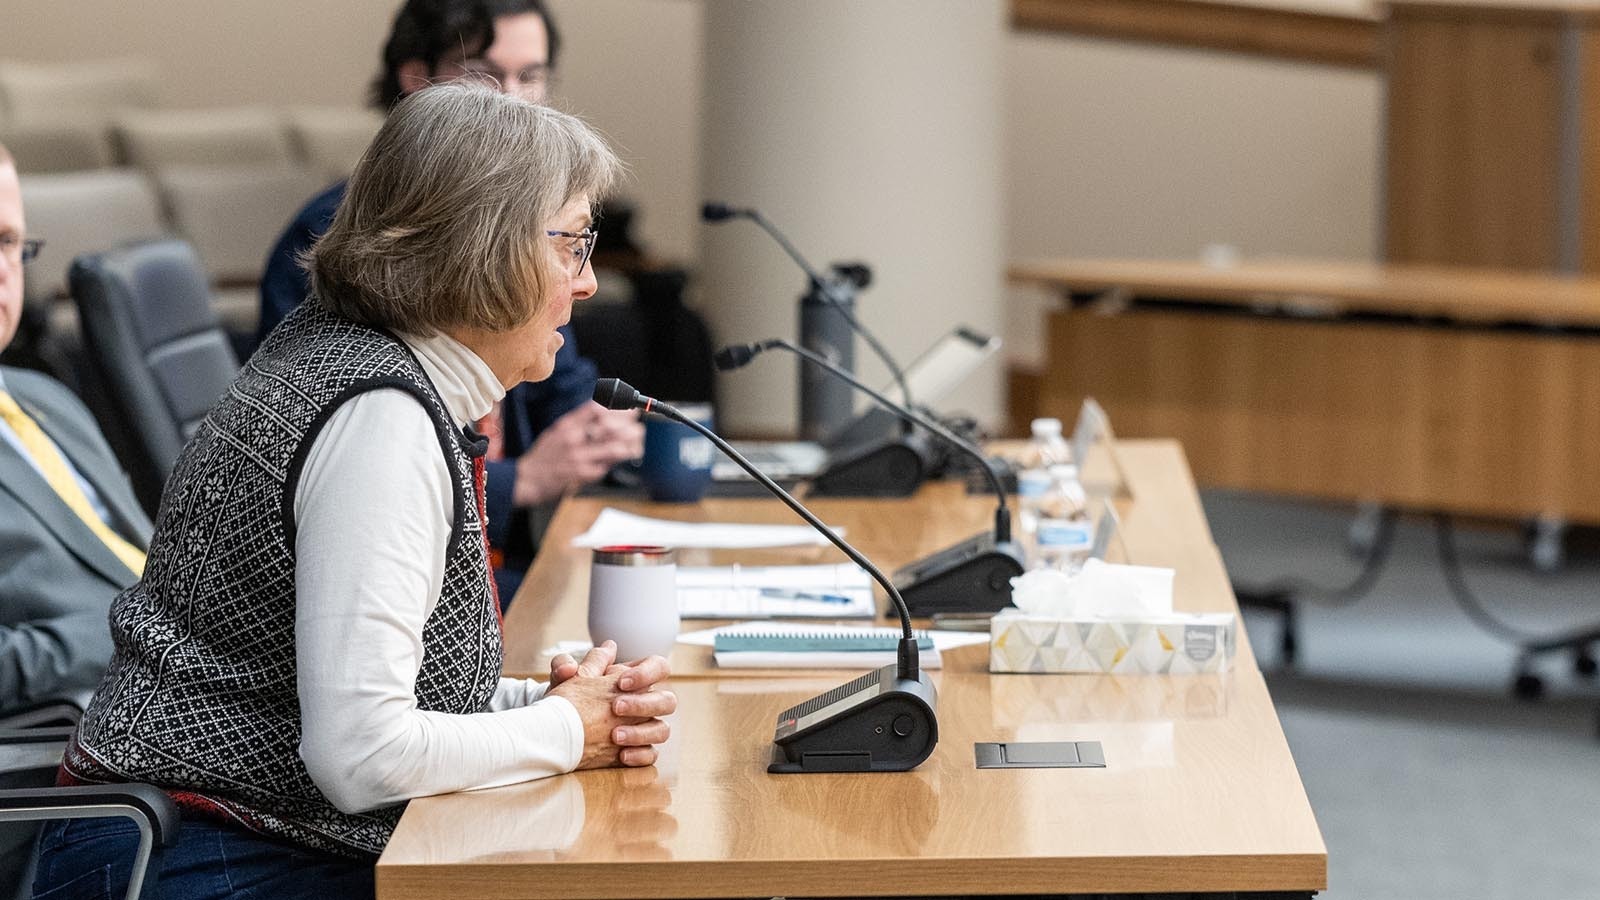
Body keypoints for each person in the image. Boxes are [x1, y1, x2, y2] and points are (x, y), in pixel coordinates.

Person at [37, 84, 676, 898]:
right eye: (572, 246)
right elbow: (363, 757)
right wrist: (561, 728)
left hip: (202, 835)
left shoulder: (354, 362)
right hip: (179, 859)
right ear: (486, 246)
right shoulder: (379, 418)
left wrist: (550, 702)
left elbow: (368, 690)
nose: (586, 284)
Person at [259, 0, 642, 606]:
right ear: (417, 81)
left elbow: (562, 388)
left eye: (531, 77)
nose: (513, 100)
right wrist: (524, 479)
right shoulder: (348, 238)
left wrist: (596, 433)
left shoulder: (532, 232)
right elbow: (327, 450)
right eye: (487, 76)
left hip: (493, 579)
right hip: (432, 580)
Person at [0, 142, 151, 714]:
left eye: (8, 242)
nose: (1, 270)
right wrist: (130, 630)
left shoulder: (48, 398)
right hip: (80, 742)